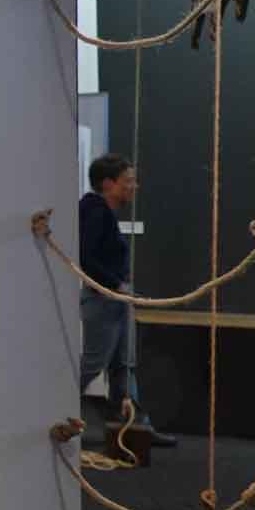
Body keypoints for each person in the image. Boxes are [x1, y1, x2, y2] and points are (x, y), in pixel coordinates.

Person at [79, 153, 176, 446]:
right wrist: (116, 285)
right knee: (93, 364)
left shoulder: (101, 212)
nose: (134, 186)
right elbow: (85, 256)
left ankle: (136, 430)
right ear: (108, 184)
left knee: (124, 365)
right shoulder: (94, 211)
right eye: (129, 181)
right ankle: (49, 413)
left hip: (113, 299)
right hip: (103, 300)